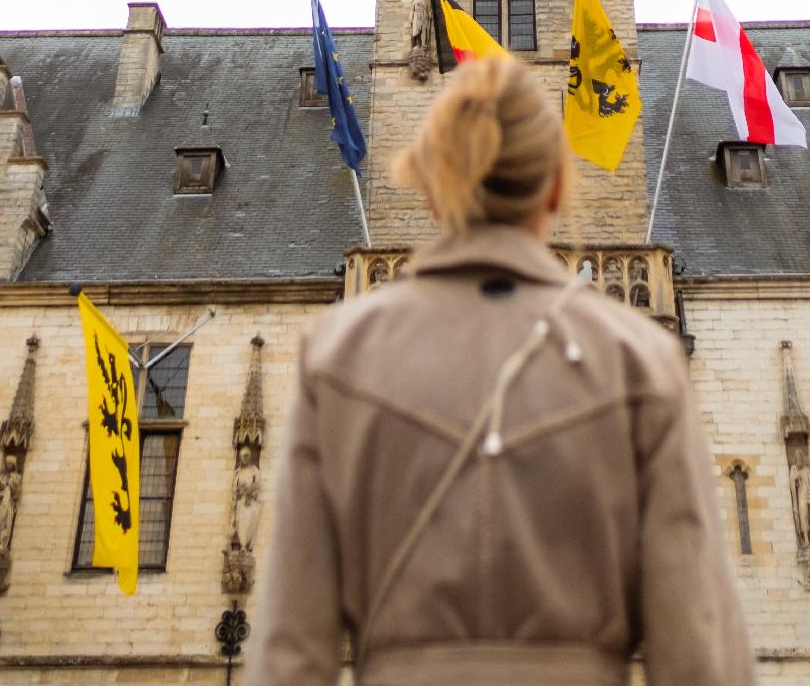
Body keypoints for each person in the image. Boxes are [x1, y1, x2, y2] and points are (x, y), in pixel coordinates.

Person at [247, 56, 755, 686]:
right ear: (555, 188)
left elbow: (290, 651)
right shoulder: (637, 359)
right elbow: (699, 649)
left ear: (433, 192)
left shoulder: (340, 354)